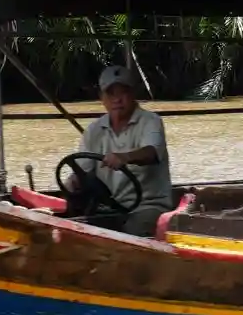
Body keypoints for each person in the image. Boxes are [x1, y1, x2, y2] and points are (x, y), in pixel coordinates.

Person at [72, 65, 174, 237]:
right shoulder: (94, 130)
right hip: (109, 207)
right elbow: (83, 170)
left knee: (132, 232)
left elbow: (152, 152)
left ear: (133, 94)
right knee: (77, 228)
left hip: (148, 206)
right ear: (101, 98)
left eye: (123, 92)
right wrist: (74, 182)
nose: (117, 99)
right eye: (111, 93)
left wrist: (125, 157)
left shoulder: (151, 121)